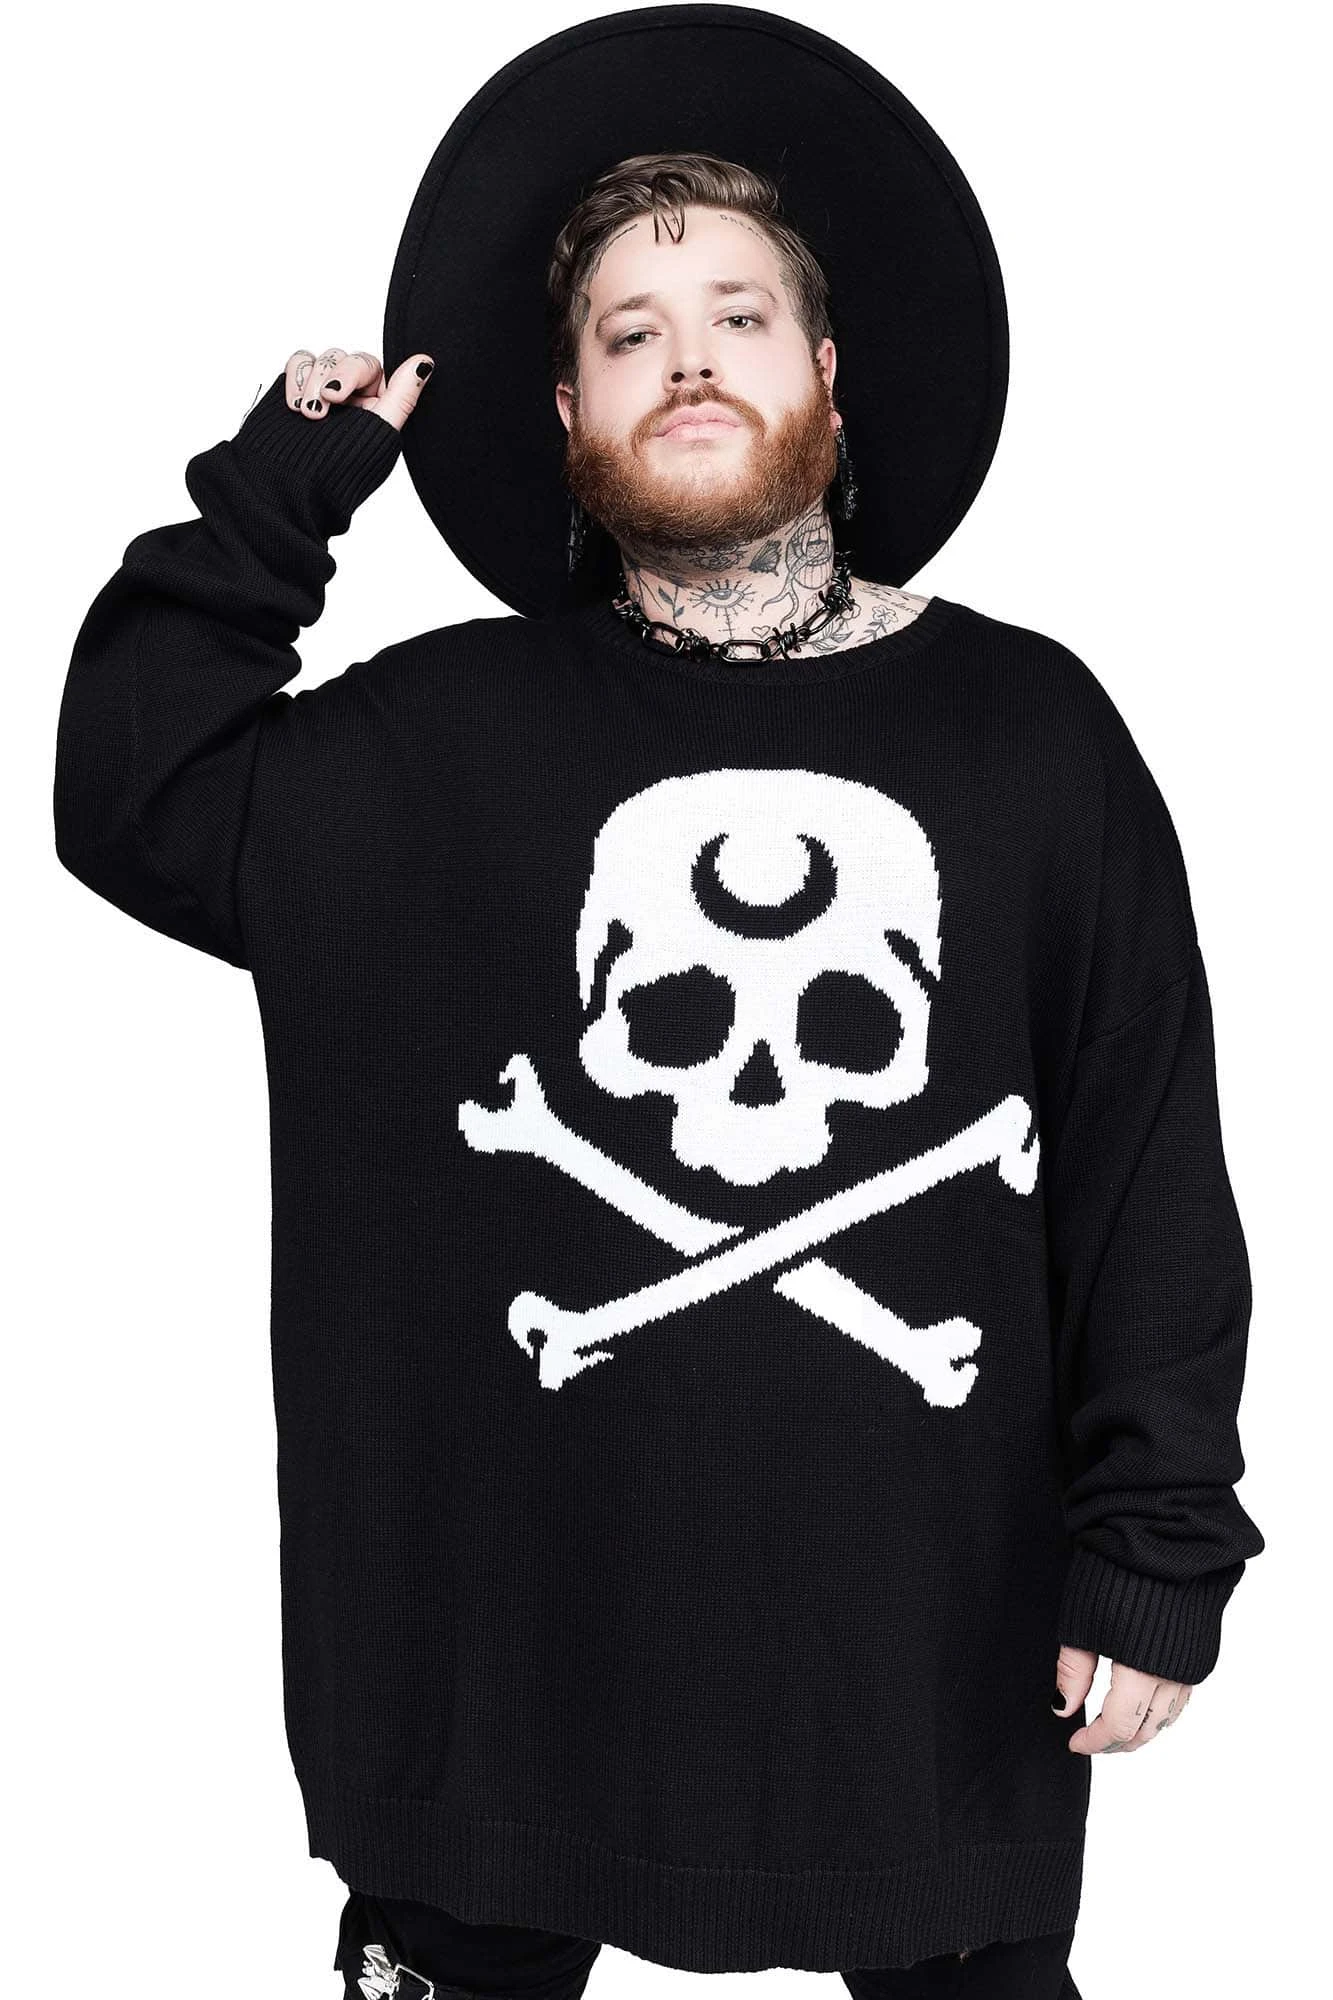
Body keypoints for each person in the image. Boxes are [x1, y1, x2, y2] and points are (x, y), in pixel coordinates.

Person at [52, 8, 1264, 1997]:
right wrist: (283, 491)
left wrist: (1156, 1540)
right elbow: (133, 790)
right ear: (565, 411)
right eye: (629, 332)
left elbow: (1147, 1165)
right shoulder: (429, 749)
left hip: (932, 1673)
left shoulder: (1031, 734)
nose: (687, 357)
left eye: (737, 316)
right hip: (492, 1686)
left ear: (829, 375)